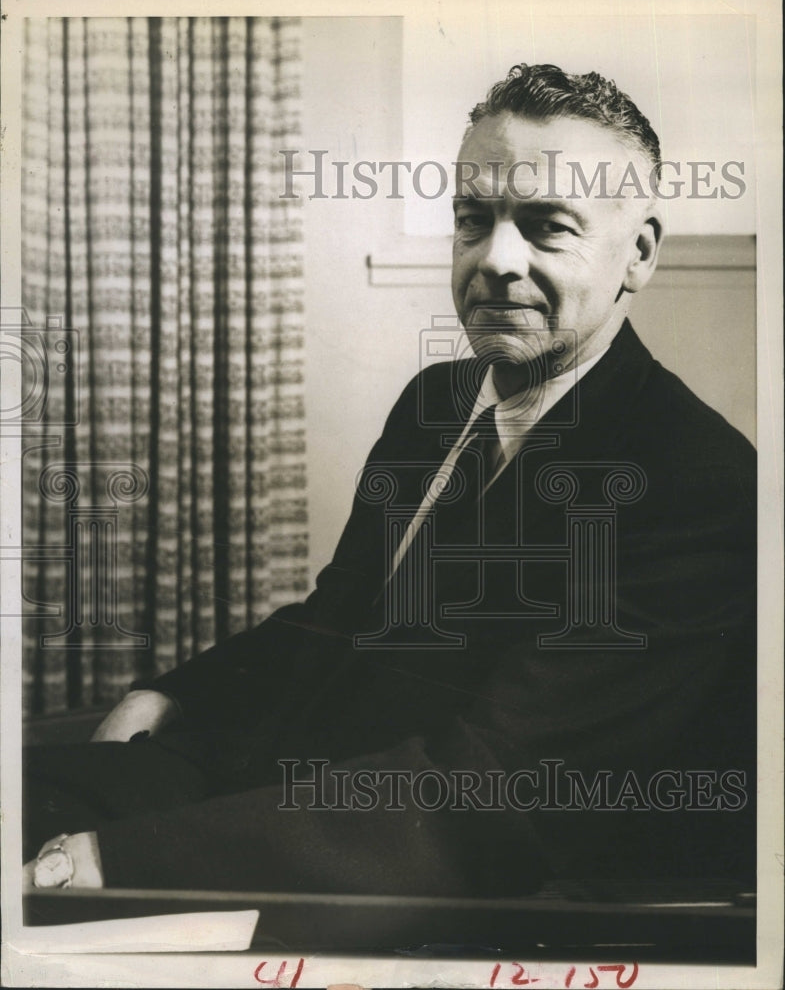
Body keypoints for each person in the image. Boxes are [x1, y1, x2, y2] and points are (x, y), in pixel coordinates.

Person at [25, 63, 755, 898]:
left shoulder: (700, 481)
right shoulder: (435, 402)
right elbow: (336, 617)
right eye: (472, 220)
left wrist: (112, 864)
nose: (495, 261)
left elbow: (493, 796)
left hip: (468, 876)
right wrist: (172, 693)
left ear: (639, 253)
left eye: (548, 227)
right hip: (287, 786)